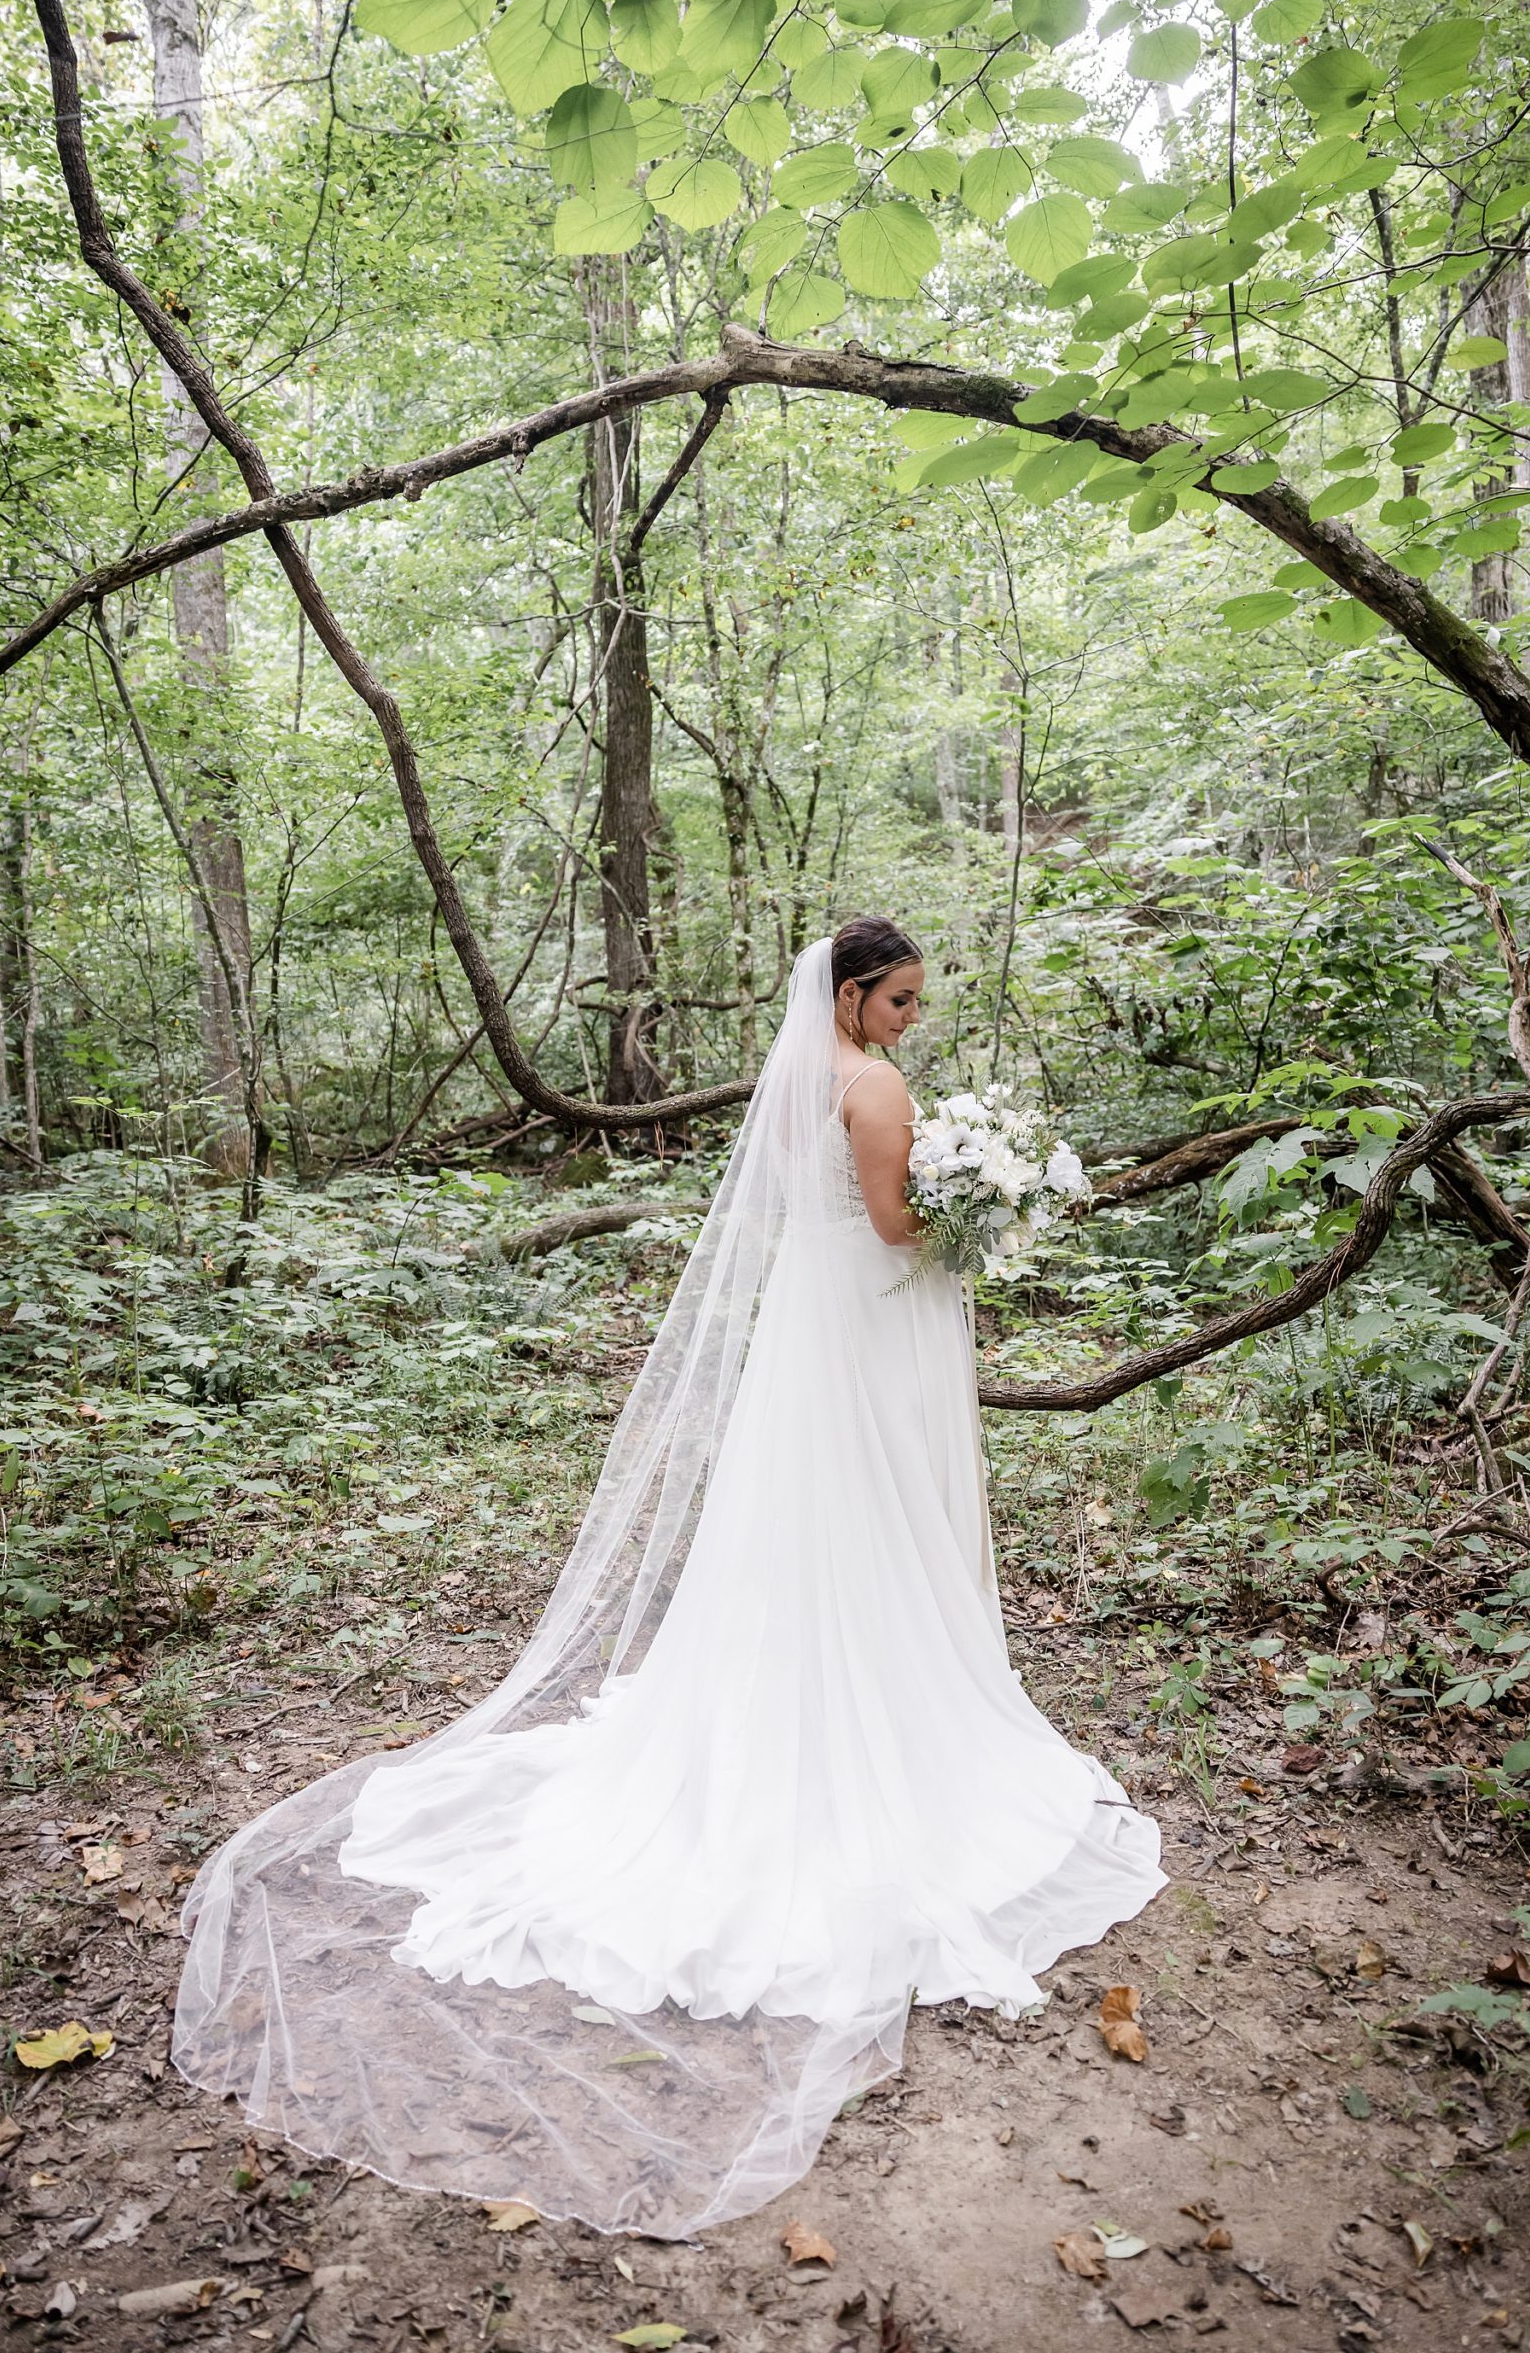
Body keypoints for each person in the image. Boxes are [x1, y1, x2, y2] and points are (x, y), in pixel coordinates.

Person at [172, 923, 1165, 2236]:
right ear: (854, 992)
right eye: (904, 997)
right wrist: (1004, 1205)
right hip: (871, 1330)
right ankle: (873, 1716)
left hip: (820, 1336)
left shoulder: (810, 1067)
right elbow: (893, 1224)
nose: (917, 1016)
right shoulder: (871, 1084)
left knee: (818, 1524)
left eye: (923, 1000)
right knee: (877, 1517)